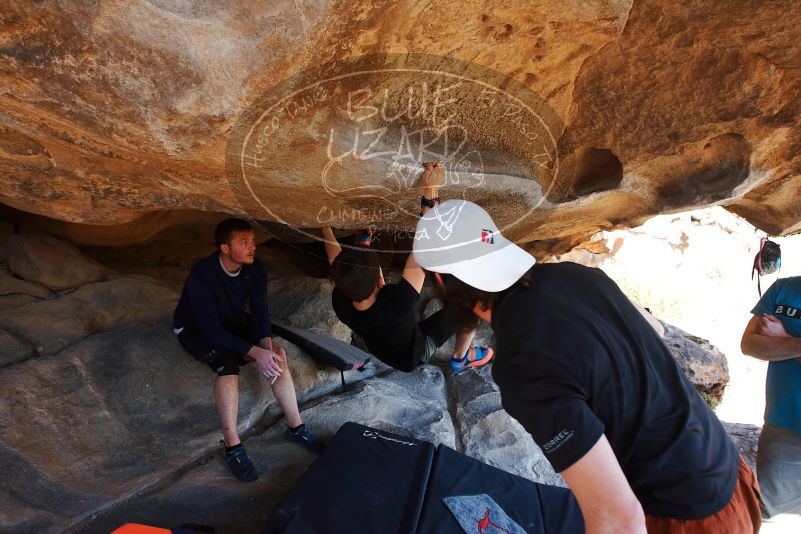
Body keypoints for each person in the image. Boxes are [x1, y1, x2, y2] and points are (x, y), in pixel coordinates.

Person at [412, 199, 761, 534]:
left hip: (685, 516)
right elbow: (652, 330)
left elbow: (619, 520)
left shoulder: (522, 364)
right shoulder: (580, 276)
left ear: (443, 283)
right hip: (731, 469)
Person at [173, 218, 324, 482]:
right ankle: (233, 446)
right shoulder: (203, 274)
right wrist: (254, 353)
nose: (252, 247)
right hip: (195, 329)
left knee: (277, 354)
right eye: (244, 242)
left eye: (252, 241)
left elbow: (260, 313)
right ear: (224, 248)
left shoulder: (255, 270)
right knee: (228, 364)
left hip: (230, 320)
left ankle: (296, 427)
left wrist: (265, 347)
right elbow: (211, 331)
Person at [321, 163, 493, 373]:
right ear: (379, 280)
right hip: (415, 353)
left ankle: (363, 245)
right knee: (473, 306)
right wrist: (430, 190)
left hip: (384, 344)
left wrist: (323, 225)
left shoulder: (341, 302)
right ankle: (462, 358)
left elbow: (337, 262)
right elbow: (425, 245)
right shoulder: (398, 302)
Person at [741, 275, 801, 518]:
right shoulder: (783, 289)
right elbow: (749, 345)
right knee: (768, 510)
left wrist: (783, 341)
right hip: (784, 422)